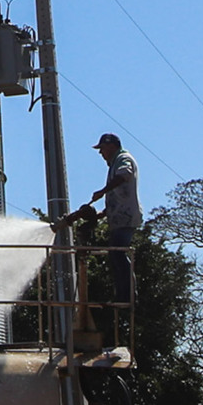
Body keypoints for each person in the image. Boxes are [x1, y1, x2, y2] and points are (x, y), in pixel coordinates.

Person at [77, 132, 141, 336]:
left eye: (102, 149)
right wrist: (102, 214)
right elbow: (118, 196)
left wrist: (102, 191)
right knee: (116, 254)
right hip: (119, 217)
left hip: (125, 218)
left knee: (119, 253)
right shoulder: (115, 162)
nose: (101, 153)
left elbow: (124, 177)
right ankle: (122, 294)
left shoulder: (123, 159)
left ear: (111, 146)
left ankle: (127, 294)